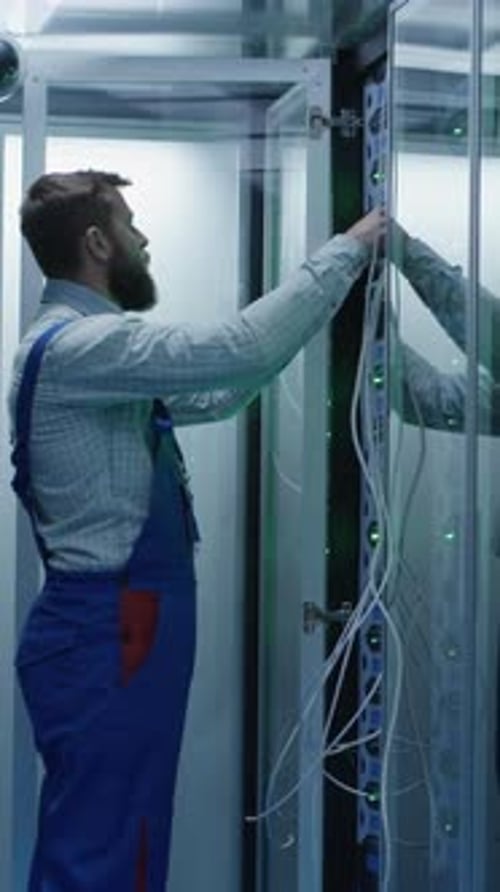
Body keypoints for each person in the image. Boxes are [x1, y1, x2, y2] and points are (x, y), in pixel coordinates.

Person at [8, 169, 385, 892]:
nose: (143, 239)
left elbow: (217, 391)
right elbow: (238, 348)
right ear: (97, 243)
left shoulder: (79, 353)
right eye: (129, 224)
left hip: (119, 628)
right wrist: (348, 251)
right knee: (102, 845)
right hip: (108, 628)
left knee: (123, 831)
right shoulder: (82, 346)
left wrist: (309, 321)